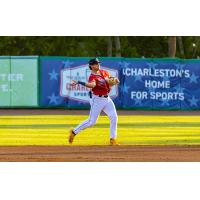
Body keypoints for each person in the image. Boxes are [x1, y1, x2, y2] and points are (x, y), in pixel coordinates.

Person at [68, 58, 120, 145]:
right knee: (91, 122)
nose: (98, 65)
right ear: (91, 66)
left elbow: (109, 82)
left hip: (107, 99)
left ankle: (112, 139)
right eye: (95, 64)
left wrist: (114, 81)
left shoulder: (104, 72)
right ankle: (74, 132)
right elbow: (92, 85)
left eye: (98, 63)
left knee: (114, 117)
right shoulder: (92, 76)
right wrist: (78, 82)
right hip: (97, 99)